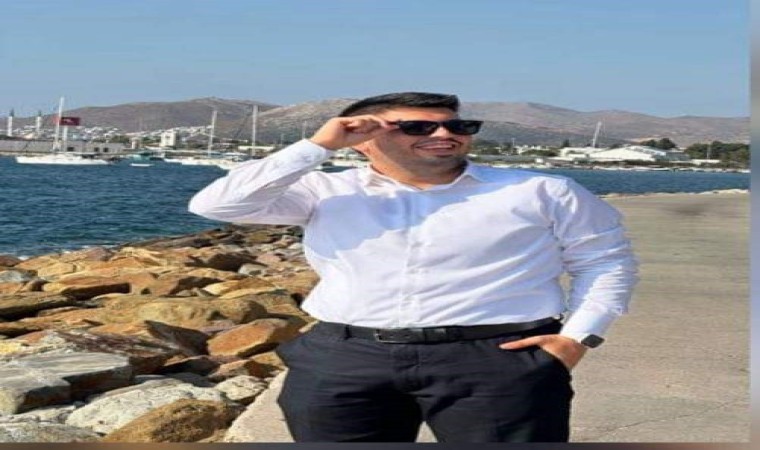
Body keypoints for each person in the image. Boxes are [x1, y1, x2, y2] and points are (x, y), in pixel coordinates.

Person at [188, 92, 639, 443]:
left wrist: (576, 338)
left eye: (457, 125)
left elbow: (605, 262)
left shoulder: (543, 190)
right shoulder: (324, 191)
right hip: (345, 357)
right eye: (418, 126)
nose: (445, 134)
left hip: (496, 358)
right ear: (362, 138)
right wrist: (318, 145)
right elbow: (217, 204)